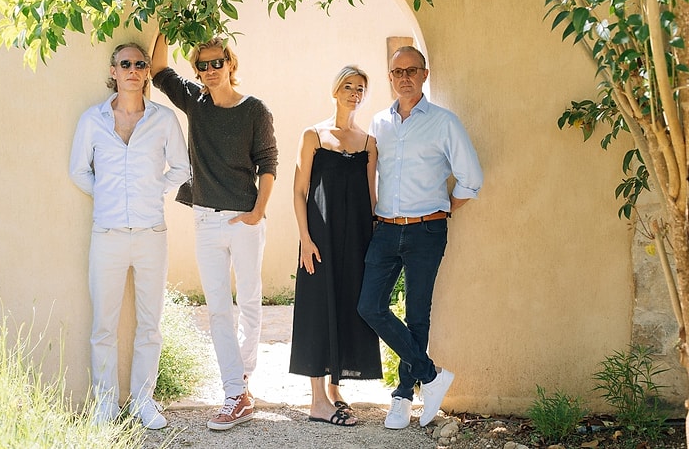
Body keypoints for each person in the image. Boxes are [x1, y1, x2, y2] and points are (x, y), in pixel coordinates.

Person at [150, 33, 278, 431]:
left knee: (251, 300)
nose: (209, 71)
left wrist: (258, 212)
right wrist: (167, 21)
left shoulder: (255, 110)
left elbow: (268, 162)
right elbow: (157, 69)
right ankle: (235, 393)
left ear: (230, 63)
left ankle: (243, 378)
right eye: (202, 66)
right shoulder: (195, 101)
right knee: (219, 308)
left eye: (216, 63)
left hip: (244, 219)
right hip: (205, 218)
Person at [357, 46, 483, 430]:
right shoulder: (379, 123)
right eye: (397, 72)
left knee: (417, 314)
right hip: (385, 229)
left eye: (412, 70)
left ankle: (402, 397)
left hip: (427, 229)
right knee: (370, 306)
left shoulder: (444, 123)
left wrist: (443, 209)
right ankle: (431, 376)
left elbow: (471, 178)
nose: (405, 77)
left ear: (425, 75)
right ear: (390, 77)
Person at [69, 42, 191, 429]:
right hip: (107, 233)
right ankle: (105, 402)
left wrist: (151, 191)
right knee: (104, 323)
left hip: (151, 232)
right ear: (114, 70)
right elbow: (79, 172)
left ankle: (143, 400)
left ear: (146, 72)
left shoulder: (163, 119)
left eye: (140, 64)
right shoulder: (93, 120)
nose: (134, 69)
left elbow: (182, 168)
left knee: (149, 322)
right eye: (126, 64)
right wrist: (108, 196)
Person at [288, 65, 384, 427]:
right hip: (320, 240)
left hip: (358, 237)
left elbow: (371, 197)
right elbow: (299, 191)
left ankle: (335, 388)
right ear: (335, 90)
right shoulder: (313, 135)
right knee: (317, 309)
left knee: (347, 307)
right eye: (348, 86)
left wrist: (375, 242)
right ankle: (317, 403)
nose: (354, 93)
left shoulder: (368, 142)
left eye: (360, 88)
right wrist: (305, 239)